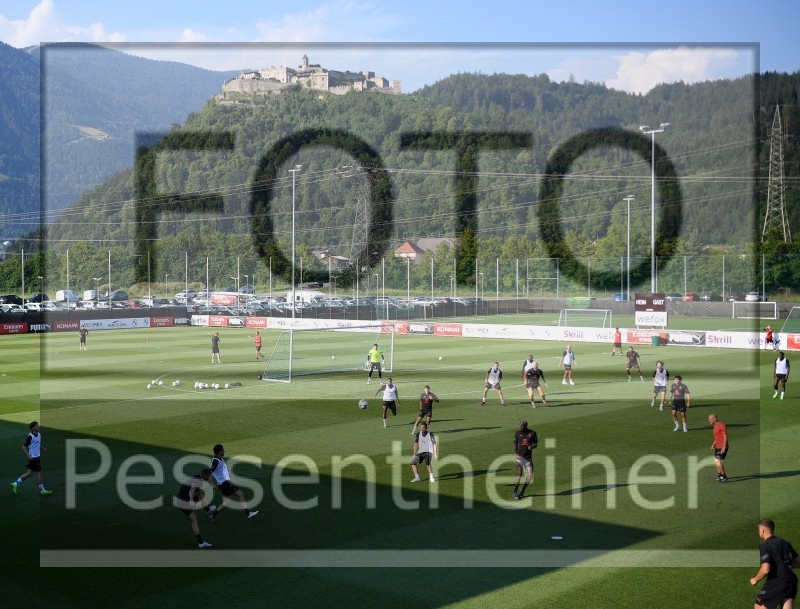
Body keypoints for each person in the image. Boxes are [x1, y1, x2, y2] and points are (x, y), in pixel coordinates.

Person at [750, 518, 800, 609]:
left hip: (777, 581)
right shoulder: (785, 543)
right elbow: (798, 562)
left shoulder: (765, 545)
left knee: (758, 606)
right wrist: (782, 564)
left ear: (763, 530)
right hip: (791, 581)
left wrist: (755, 579)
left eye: (758, 529)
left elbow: (765, 569)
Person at [207, 444, 258, 521]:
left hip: (221, 484)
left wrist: (226, 469)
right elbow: (209, 472)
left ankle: (212, 516)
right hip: (225, 482)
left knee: (227, 502)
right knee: (240, 494)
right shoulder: (216, 461)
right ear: (219, 451)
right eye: (223, 450)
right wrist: (212, 484)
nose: (224, 451)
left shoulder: (218, 459)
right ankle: (248, 513)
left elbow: (219, 469)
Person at [10, 421, 53, 495]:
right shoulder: (30, 437)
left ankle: (15, 483)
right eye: (36, 426)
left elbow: (36, 443)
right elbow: (23, 447)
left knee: (30, 473)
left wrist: (42, 447)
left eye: (38, 425)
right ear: (33, 428)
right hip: (34, 458)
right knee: (39, 472)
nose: (38, 426)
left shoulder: (39, 434)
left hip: (36, 457)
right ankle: (42, 490)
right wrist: (28, 455)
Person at [176, 468, 214, 548]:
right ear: (206, 476)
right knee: (194, 520)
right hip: (184, 502)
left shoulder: (197, 477)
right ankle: (201, 542)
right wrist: (191, 500)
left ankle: (207, 509)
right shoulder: (198, 481)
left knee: (202, 497)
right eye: (209, 476)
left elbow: (199, 493)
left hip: (181, 500)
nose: (209, 478)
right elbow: (192, 490)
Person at [512, 419, 538, 500]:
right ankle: (514, 492)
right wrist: (515, 453)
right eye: (520, 426)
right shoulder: (517, 433)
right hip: (519, 457)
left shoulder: (532, 433)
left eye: (522, 426)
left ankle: (522, 490)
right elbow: (515, 444)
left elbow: (536, 444)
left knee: (530, 474)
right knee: (519, 474)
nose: (520, 427)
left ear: (526, 426)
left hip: (528, 458)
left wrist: (532, 447)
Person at [708, 413, 729, 483]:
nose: (709, 420)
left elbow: (725, 437)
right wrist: (713, 444)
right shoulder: (715, 426)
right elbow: (717, 437)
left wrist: (724, 447)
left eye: (710, 419)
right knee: (716, 461)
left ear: (715, 419)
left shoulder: (721, 425)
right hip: (717, 446)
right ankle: (720, 475)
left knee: (717, 461)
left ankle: (724, 476)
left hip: (722, 446)